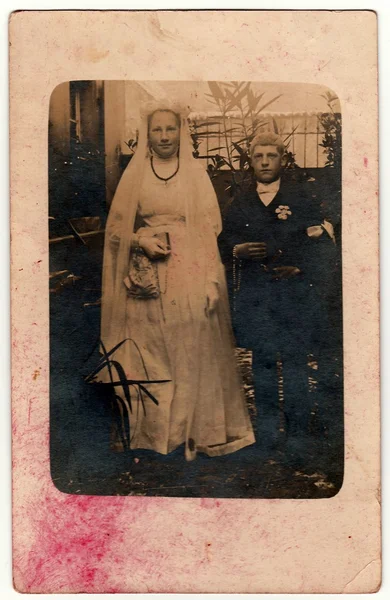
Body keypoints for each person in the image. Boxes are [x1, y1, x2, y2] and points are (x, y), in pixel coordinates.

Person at [100, 102, 255, 461]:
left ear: (180, 132)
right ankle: (154, 435)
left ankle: (193, 433)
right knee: (151, 348)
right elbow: (115, 230)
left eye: (171, 129)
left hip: (189, 264)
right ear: (147, 134)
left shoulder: (195, 173)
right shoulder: (135, 173)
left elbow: (207, 230)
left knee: (190, 343)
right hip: (147, 273)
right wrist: (141, 240)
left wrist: (210, 282)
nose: (165, 136)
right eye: (158, 130)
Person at [218, 132, 336, 459]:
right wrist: (236, 249)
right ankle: (268, 432)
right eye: (259, 157)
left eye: (272, 156)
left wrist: (299, 268)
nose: (266, 162)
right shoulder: (241, 201)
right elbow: (223, 240)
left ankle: (297, 433)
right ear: (251, 161)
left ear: (282, 159)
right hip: (258, 296)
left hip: (294, 295)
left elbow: (321, 243)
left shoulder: (301, 197)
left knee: (295, 361)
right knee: (264, 362)